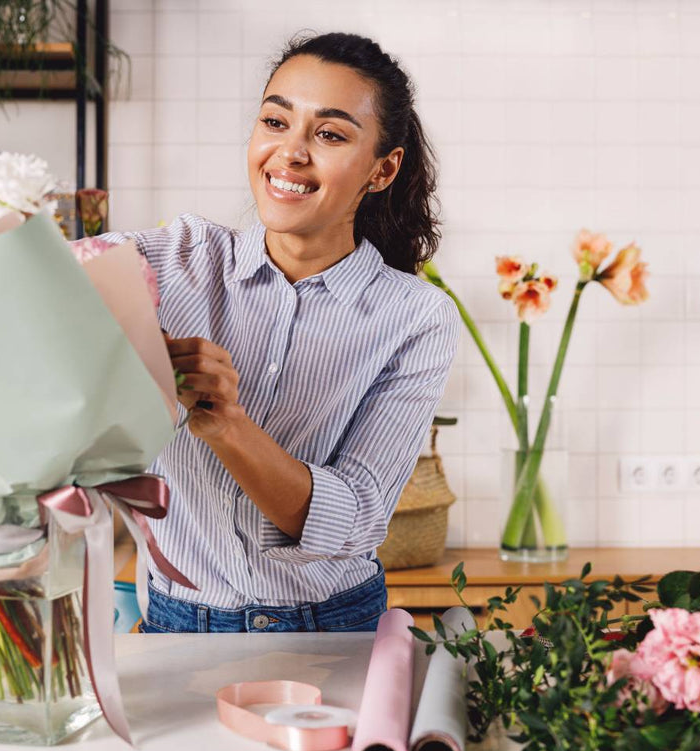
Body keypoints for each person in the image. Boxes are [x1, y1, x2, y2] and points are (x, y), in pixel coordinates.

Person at [102, 32, 460, 633]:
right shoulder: (172, 259)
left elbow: (357, 521)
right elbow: (35, 287)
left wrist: (228, 426)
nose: (290, 153)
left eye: (329, 134)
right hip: (176, 621)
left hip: (334, 626)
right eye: (275, 121)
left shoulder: (415, 317)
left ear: (383, 168)